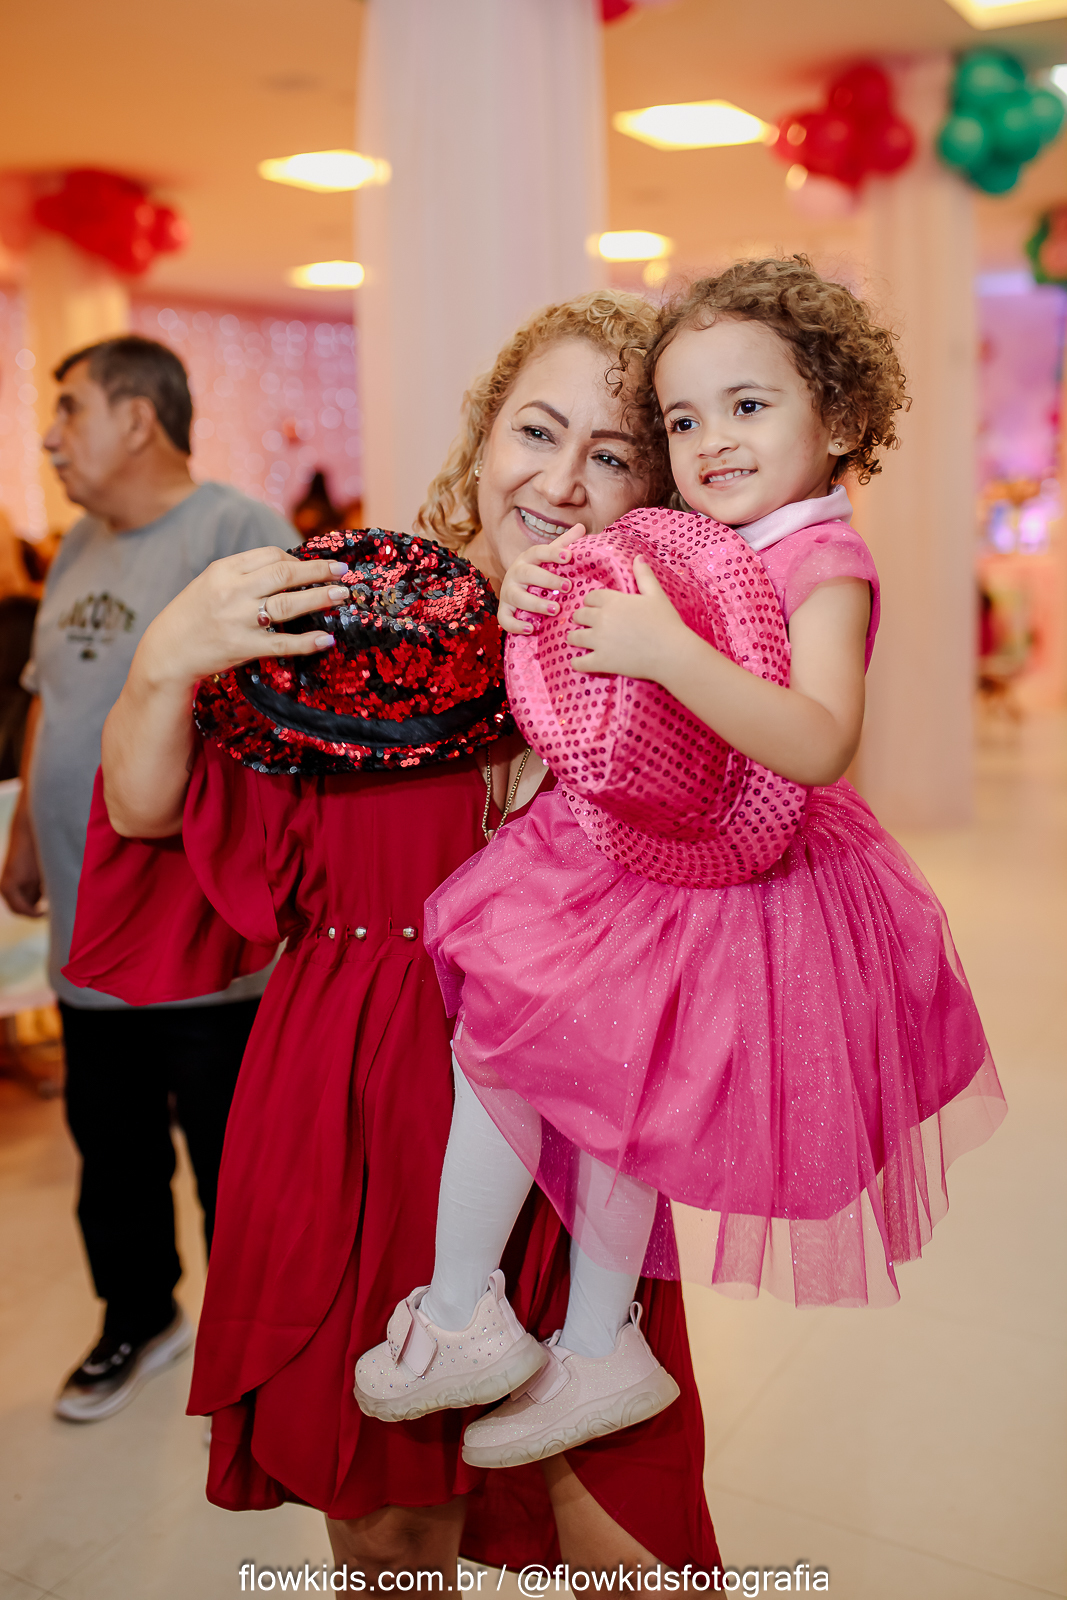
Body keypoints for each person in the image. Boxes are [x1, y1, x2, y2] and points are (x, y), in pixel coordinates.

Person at [65, 294, 722, 1576]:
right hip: (356, 1099)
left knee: (624, 1533)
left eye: (611, 454)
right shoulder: (358, 623)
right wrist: (164, 659)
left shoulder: (653, 647)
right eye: (537, 431)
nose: (561, 481)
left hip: (568, 1116)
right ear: (483, 435)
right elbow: (149, 813)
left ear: (653, 490)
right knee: (391, 1532)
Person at [388, 257, 1008, 1465]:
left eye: (747, 405)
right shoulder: (709, 536)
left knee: (553, 1069)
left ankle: (504, 1321)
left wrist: (666, 649)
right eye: (681, 420)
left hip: (739, 875)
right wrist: (539, 604)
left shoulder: (822, 561)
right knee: (609, 1100)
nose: (710, 440)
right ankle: (570, 1337)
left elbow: (817, 739)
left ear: (838, 417)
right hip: (657, 854)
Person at [0, 335, 291, 1422]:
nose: (49, 436)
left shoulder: (236, 532)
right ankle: (139, 1315)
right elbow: (50, 695)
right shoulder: (79, 542)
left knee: (232, 1153)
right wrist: (27, 826)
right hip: (86, 922)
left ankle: (256, 1346)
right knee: (109, 1144)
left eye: (69, 408)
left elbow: (286, 720)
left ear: (137, 418)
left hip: (197, 931)